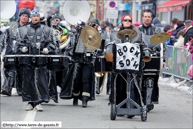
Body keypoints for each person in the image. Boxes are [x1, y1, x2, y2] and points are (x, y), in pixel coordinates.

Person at [16, 9, 56, 111]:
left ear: (39, 17)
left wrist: (48, 49)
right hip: (28, 60)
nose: (35, 18)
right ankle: (30, 102)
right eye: (34, 16)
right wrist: (22, 48)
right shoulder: (23, 30)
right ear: (31, 18)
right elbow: (17, 44)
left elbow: (52, 43)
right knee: (28, 81)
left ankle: (38, 102)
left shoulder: (47, 30)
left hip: (41, 59)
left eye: (37, 16)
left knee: (40, 80)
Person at [60, 20, 96, 108]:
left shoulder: (90, 35)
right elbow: (68, 47)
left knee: (86, 79)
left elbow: (95, 47)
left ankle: (85, 99)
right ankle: (75, 97)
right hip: (76, 60)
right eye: (79, 27)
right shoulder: (73, 36)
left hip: (87, 61)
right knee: (76, 80)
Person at [137, 9, 166, 111]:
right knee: (139, 80)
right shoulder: (138, 30)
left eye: (149, 17)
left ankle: (151, 100)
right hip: (140, 59)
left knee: (154, 81)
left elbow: (163, 46)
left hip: (154, 58)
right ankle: (139, 99)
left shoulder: (156, 30)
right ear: (142, 18)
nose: (147, 18)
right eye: (145, 16)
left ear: (151, 18)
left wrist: (163, 59)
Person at [1, 8, 30, 96]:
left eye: (26, 16)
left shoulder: (29, 27)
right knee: (9, 70)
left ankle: (21, 90)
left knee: (21, 72)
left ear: (28, 18)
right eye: (23, 16)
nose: (24, 18)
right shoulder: (11, 25)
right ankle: (6, 88)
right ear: (20, 16)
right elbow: (3, 39)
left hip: (23, 54)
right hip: (10, 53)